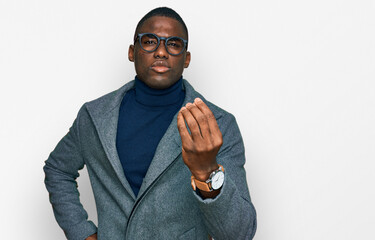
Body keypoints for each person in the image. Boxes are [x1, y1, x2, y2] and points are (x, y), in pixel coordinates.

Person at [43, 7, 257, 240]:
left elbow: (240, 233)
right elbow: (57, 169)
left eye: (173, 44)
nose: (161, 52)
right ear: (132, 52)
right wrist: (82, 233)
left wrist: (207, 172)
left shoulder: (219, 124)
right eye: (149, 41)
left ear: (186, 59)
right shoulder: (94, 116)